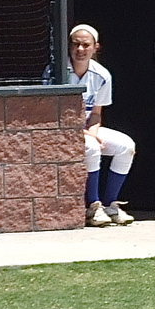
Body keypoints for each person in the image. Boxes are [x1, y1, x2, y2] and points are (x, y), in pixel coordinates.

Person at [51, 24, 137, 227]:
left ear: (95, 47)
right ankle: (93, 205)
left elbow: (96, 113)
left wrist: (92, 131)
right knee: (91, 147)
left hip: (86, 129)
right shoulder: (57, 71)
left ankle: (110, 204)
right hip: (61, 130)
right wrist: (86, 135)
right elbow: (50, 111)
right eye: (76, 44)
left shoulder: (102, 75)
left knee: (127, 146)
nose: (80, 50)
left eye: (85, 45)